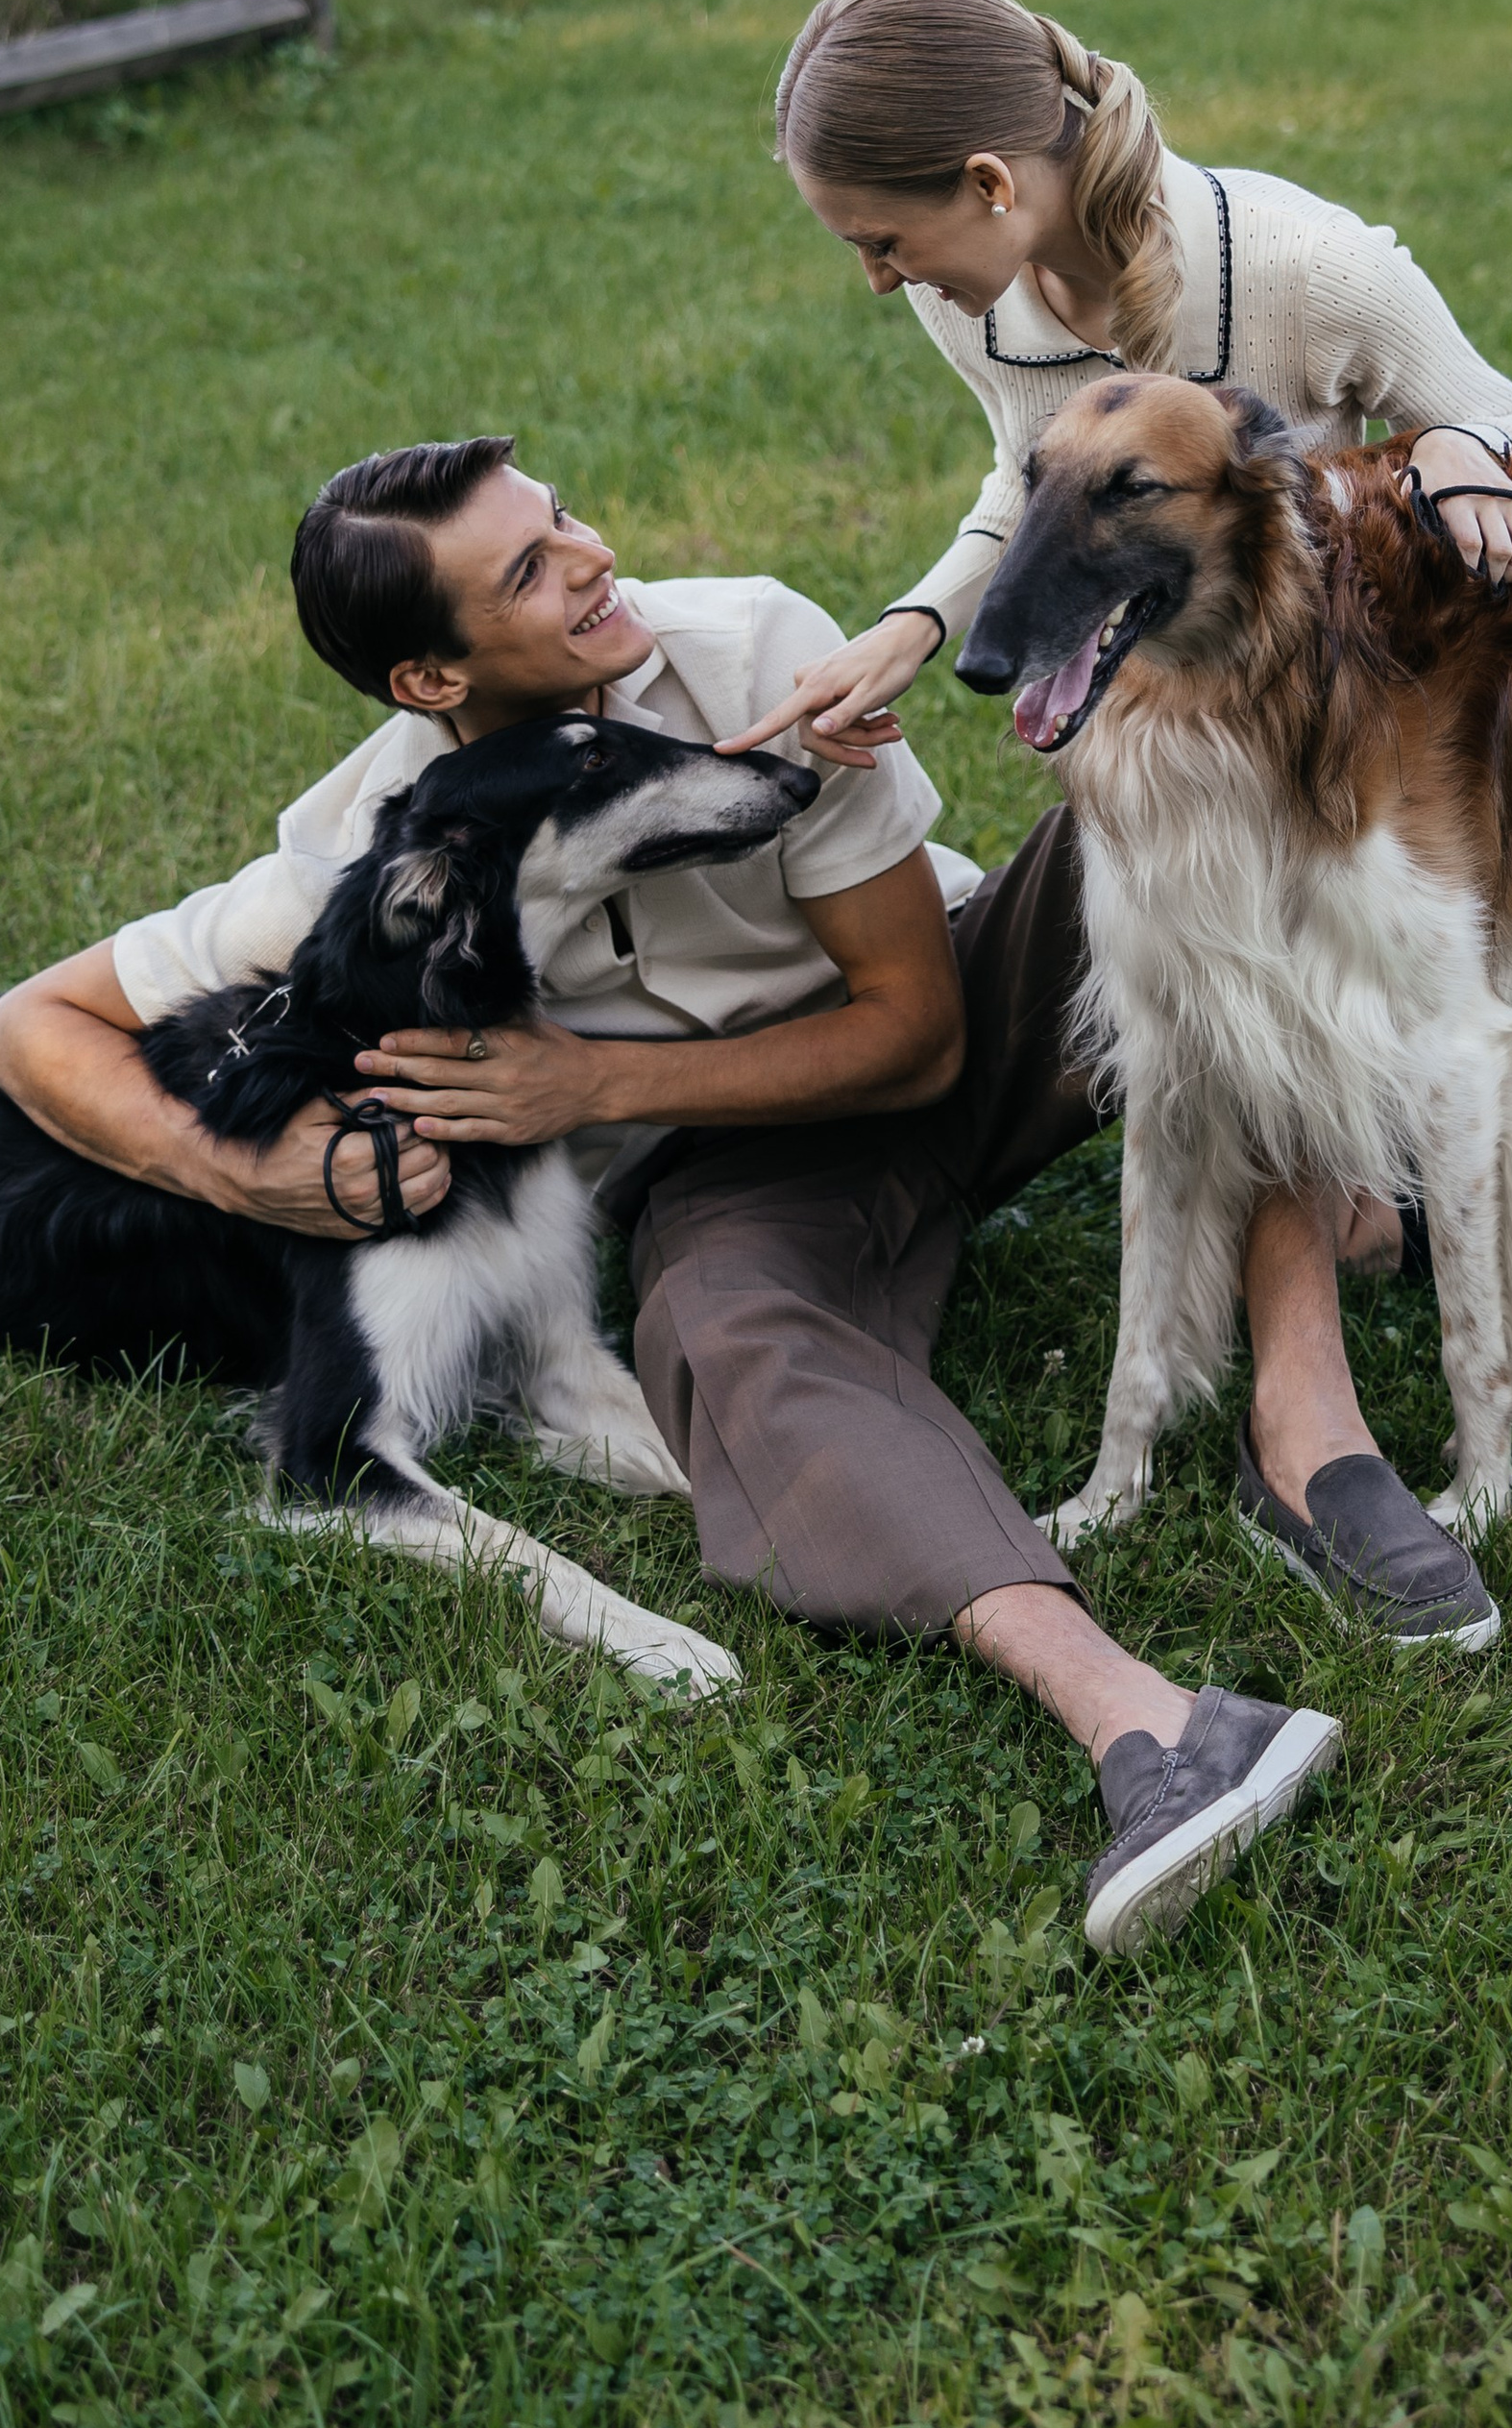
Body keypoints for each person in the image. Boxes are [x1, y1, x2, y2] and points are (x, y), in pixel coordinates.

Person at [0, 436, 1348, 1960]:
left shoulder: (748, 650)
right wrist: (256, 1173)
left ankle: (1319, 1385)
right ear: (429, 684)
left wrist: (591, 1085)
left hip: (998, 1012)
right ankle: (1155, 1731)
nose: (591, 558)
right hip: (755, 1172)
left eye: (559, 518)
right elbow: (32, 1022)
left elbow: (916, 1036)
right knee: (720, 1339)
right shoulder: (373, 858)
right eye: (526, 569)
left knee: (1171, 814)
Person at [725, 0, 1512, 1585]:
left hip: (1353, 738)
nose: (879, 285)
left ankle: (1327, 1416)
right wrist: (909, 624)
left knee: (1351, 1071)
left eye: (880, 246)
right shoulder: (993, 300)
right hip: (1168, 729)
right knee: (1279, 1096)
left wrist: (1455, 450)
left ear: (986, 182)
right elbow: (1019, 490)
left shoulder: (1314, 270)